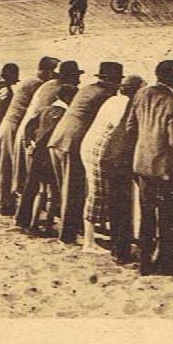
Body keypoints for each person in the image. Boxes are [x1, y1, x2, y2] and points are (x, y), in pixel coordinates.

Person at [48, 61, 123, 244]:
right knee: (72, 190)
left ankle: (70, 229)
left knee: (65, 189)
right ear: (112, 81)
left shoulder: (87, 88)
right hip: (72, 141)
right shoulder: (106, 94)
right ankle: (67, 235)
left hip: (59, 137)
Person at [129, 59, 173, 275]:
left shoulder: (142, 94)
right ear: (170, 76)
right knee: (167, 218)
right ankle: (165, 262)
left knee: (146, 215)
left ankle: (144, 262)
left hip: (141, 162)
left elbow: (131, 126)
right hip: (163, 167)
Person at [79, 74, 145, 255]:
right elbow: (123, 130)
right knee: (97, 194)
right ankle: (89, 242)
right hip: (99, 149)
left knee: (97, 192)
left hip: (91, 145)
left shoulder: (114, 100)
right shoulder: (122, 105)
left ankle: (94, 237)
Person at [0, 56, 57, 216]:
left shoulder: (29, 81)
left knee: (6, 166)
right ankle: (8, 204)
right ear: (47, 71)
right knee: (14, 167)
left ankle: (5, 203)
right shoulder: (38, 85)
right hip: (14, 126)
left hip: (9, 123)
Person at [15, 84, 76, 234]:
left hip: (37, 154)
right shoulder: (61, 113)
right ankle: (47, 225)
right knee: (52, 192)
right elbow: (50, 135)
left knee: (37, 189)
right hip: (47, 155)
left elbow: (29, 127)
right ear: (68, 98)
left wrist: (30, 144)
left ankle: (29, 222)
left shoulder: (44, 110)